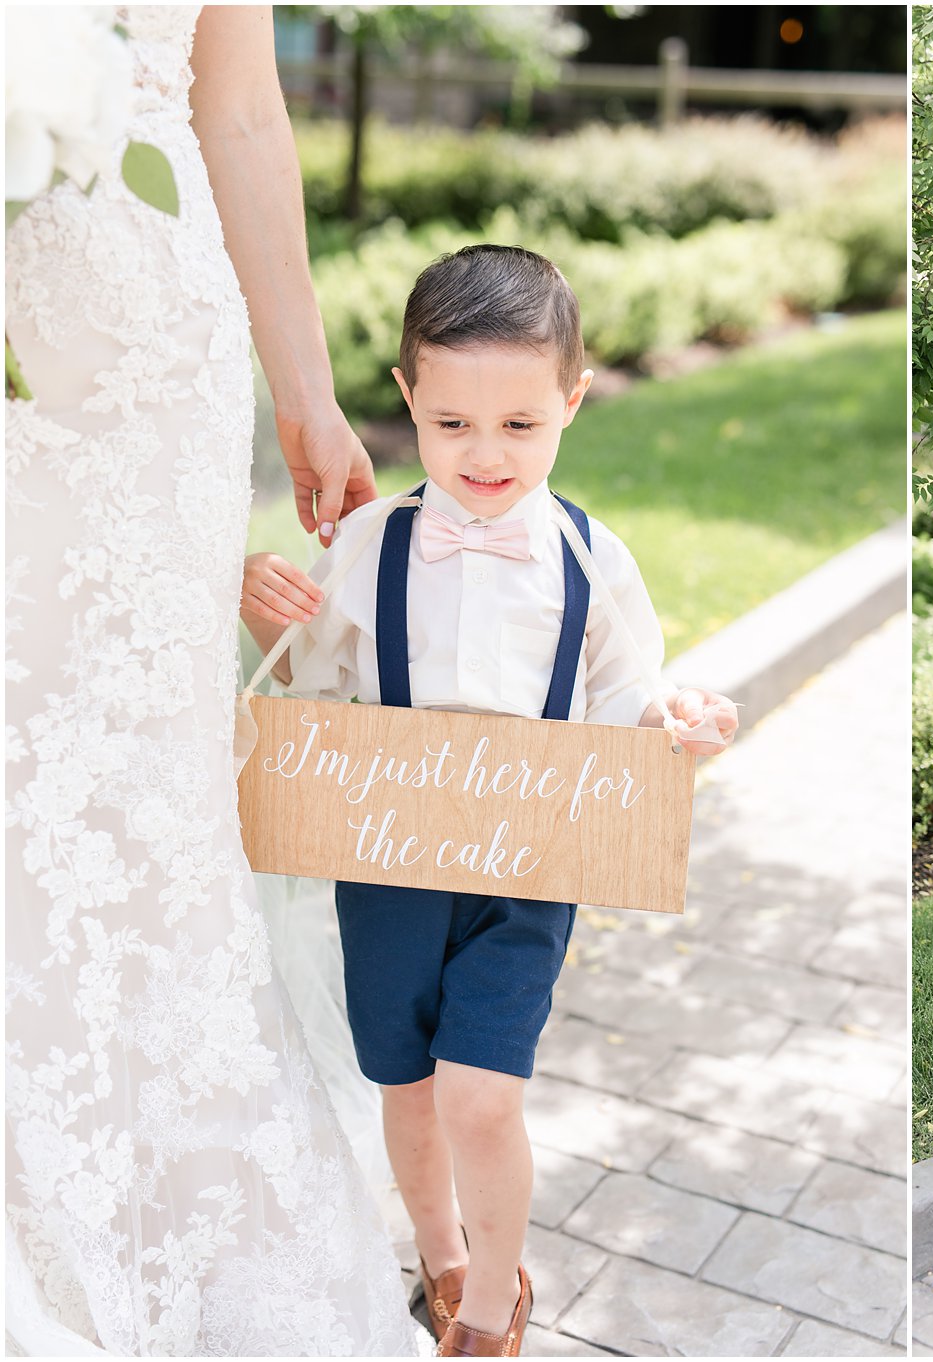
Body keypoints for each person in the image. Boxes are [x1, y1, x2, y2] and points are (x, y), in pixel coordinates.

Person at [240, 244, 739, 1358]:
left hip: (527, 870)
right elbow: (323, 703)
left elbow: (623, 705)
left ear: (572, 399)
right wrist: (282, 628)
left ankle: (490, 1306)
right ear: (408, 397)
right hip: (388, 865)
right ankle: (440, 1251)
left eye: (520, 425)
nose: (485, 455)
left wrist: (673, 730)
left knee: (478, 1095)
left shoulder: (593, 562)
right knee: (408, 1088)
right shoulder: (369, 543)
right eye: (451, 422)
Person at [5, 8, 415, 1353]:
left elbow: (235, 102)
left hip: (145, 366)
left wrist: (305, 383)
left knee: (135, 789)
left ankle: (178, 1205)